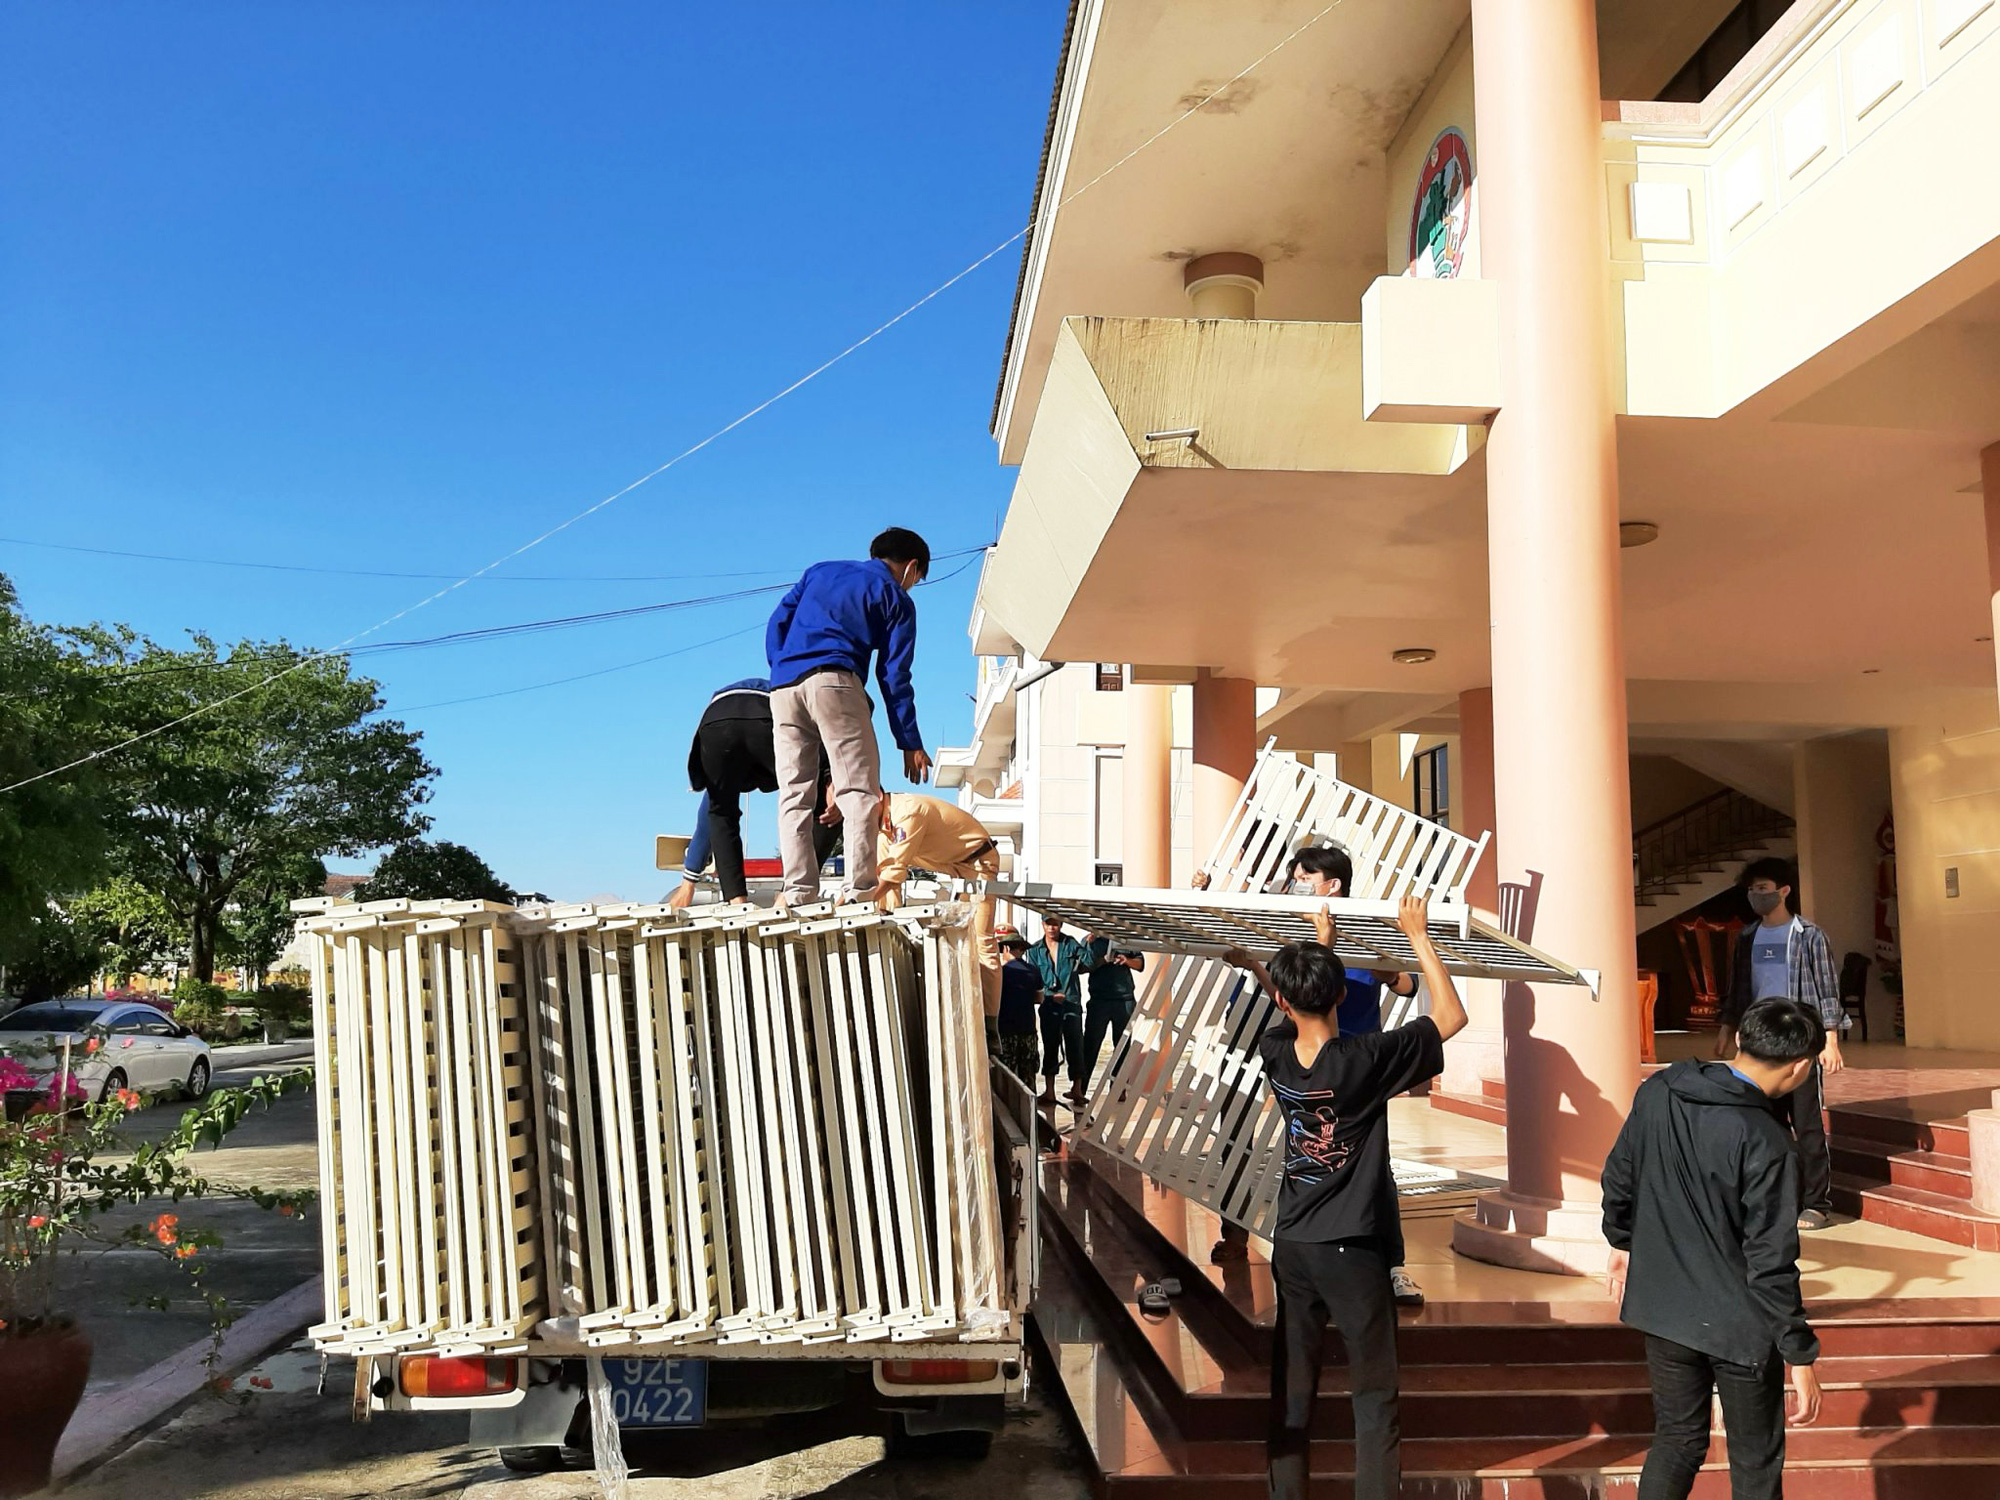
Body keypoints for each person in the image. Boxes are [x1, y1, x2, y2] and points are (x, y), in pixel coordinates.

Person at [1236, 895, 1465, 1500]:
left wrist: (1317, 946)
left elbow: (1295, 1005)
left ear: (1283, 1001)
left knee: (1293, 1386)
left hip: (1293, 1243)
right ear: (1341, 994)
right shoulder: (1366, 1059)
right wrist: (1417, 935)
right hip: (1352, 1249)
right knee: (1374, 1392)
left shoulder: (1275, 1052)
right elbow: (1450, 1015)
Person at [1602, 997, 1826, 1499]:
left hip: (1663, 1309)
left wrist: (1623, 1240)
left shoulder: (1659, 1089)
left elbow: (1619, 1178)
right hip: (1739, 1324)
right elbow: (1771, 1261)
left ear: (1741, 1040)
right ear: (1801, 1067)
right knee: (1755, 1462)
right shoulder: (1767, 1142)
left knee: (1677, 1442)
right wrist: (1800, 1353)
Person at [1284, 843, 1426, 1307]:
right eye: (1296, 875)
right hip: (1315, 1065)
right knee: (1315, 1158)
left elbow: (1408, 984)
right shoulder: (1296, 933)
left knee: (1374, 1166)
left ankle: (1393, 1266)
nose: (1298, 882)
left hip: (1361, 1068)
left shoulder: (1366, 928)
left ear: (1333, 884)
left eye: (1306, 875)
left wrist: (1386, 971)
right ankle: (1318, 1261)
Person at [766, 528, 933, 908]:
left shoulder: (819, 571)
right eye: (917, 580)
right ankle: (858, 892)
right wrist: (909, 741)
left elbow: (778, 621)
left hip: (784, 687)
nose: (913, 587)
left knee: (794, 794)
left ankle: (797, 892)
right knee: (858, 792)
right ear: (911, 567)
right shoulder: (896, 598)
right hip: (836, 680)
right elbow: (893, 674)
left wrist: (780, 666)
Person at [1713, 856, 1844, 1231]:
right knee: (1761, 1126)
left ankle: (1815, 1203)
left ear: (1784, 891)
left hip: (1799, 1041)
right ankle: (1770, 1200)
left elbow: (1826, 989)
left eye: (1764, 889)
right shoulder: (1747, 937)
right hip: (1758, 1042)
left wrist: (1829, 1039)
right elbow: (1737, 988)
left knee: (1806, 1126)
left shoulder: (1809, 936)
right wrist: (1727, 1029)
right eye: (1752, 889)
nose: (1757, 895)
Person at [669, 678, 836, 909]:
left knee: (721, 812)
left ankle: (738, 904)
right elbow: (817, 735)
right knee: (832, 810)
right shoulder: (792, 699)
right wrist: (831, 777)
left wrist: (688, 883)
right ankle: (788, 896)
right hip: (768, 716)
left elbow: (710, 815)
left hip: (715, 720)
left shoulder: (738, 768)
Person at [872, 792, 1003, 1015]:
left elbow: (893, 871)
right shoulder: (885, 830)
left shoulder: (907, 812)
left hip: (979, 863)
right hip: (952, 865)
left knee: (981, 941)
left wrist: (859, 902)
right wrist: (883, 917)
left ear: (875, 797)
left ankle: (991, 1026)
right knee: (956, 940)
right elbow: (885, 877)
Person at [1026, 915, 1099, 1106]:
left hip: (1071, 1002)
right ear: (1043, 924)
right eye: (1049, 923)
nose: (1052, 927)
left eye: (1055, 924)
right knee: (1050, 1045)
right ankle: (1049, 1091)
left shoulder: (1071, 944)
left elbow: (1089, 963)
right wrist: (1046, 997)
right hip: (1049, 1004)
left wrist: (1089, 944)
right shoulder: (1035, 950)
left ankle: (1077, 1088)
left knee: (1075, 1044)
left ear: (1061, 925)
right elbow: (1033, 978)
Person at [1079, 934, 1146, 1095]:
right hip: (1099, 1000)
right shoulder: (1089, 941)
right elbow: (1081, 967)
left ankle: (1118, 1089)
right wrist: (1102, 960)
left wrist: (1126, 961)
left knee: (1123, 1046)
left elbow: (1140, 963)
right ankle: (1081, 1089)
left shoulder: (1124, 939)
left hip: (1124, 999)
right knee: (1090, 1046)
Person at [994, 933, 1043, 1083]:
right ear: (1022, 949)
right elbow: (1039, 998)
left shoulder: (1000, 972)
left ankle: (1010, 1106)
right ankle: (1029, 1106)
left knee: (1007, 1075)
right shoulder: (1034, 971)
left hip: (1006, 1031)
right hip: (1028, 1029)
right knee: (1028, 1074)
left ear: (1006, 949)